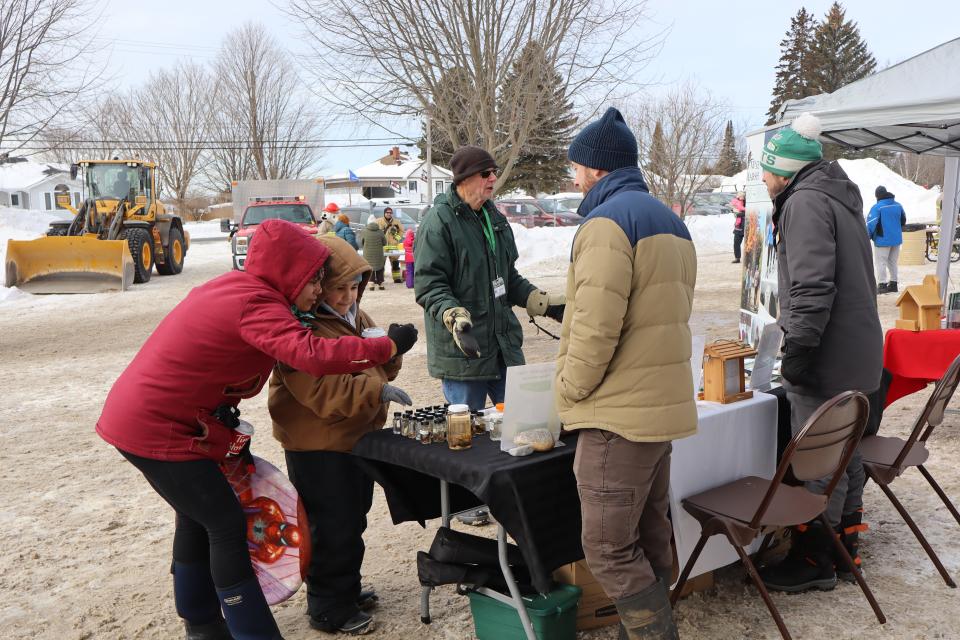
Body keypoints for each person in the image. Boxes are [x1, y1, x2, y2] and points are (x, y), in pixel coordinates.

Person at [95, 219, 418, 640]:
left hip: (159, 418)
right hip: (157, 426)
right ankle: (249, 632)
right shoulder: (257, 304)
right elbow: (312, 356)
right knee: (225, 524)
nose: (320, 292)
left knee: (198, 519)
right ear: (290, 274)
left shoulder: (240, 290)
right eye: (314, 282)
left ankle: (202, 624)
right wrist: (386, 346)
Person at [556, 107, 697, 639]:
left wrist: (568, 391)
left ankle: (653, 635)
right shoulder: (671, 220)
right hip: (658, 409)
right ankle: (640, 630)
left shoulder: (605, 224)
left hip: (618, 415)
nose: (572, 177)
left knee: (609, 548)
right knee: (649, 533)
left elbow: (596, 328)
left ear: (595, 169)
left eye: (575, 167)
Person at [757, 113, 882, 592]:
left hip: (829, 354)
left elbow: (812, 286)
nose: (764, 179)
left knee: (817, 461)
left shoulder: (805, 202)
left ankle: (816, 558)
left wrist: (801, 349)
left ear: (785, 171)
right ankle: (845, 546)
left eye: (768, 171)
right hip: (857, 350)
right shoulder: (835, 193)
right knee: (843, 452)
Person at [269, 236, 412, 636]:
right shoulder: (301, 329)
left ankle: (344, 588)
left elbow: (379, 367)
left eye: (354, 287)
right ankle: (329, 607)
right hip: (318, 444)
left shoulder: (356, 316)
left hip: (355, 436)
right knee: (330, 525)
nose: (348, 297)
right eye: (338, 288)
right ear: (317, 286)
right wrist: (377, 390)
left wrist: (393, 350)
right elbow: (322, 392)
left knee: (352, 518)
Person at [414, 145, 564, 411]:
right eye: (486, 173)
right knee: (469, 439)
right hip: (465, 357)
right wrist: (455, 318)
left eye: (493, 172)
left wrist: (543, 303)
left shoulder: (493, 216)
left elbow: (507, 277)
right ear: (464, 179)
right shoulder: (439, 222)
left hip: (503, 351)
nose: (493, 178)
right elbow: (429, 286)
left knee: (522, 427)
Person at [867, 185, 907, 294]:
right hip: (896, 239)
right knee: (893, 262)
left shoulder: (877, 207)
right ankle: (893, 284)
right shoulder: (898, 205)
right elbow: (903, 220)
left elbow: (871, 223)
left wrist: (867, 237)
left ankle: (882, 285)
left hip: (882, 240)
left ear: (877, 196)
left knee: (881, 262)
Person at [358, 214, 387, 290]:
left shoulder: (364, 232)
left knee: (370, 267)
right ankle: (381, 283)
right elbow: (384, 242)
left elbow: (361, 242)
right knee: (380, 267)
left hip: (368, 254)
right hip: (379, 254)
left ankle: (371, 284)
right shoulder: (380, 231)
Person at [377, 207, 405, 283]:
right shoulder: (378, 221)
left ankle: (396, 278)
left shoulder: (396, 222)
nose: (389, 214)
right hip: (383, 246)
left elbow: (402, 231)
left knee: (395, 263)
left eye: (390, 213)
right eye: (387, 212)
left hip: (393, 246)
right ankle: (380, 279)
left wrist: (396, 238)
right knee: (381, 264)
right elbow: (375, 231)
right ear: (384, 213)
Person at [731, 190, 746, 263]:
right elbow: (735, 211)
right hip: (739, 226)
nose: (742, 198)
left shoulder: (747, 202)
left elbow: (750, 211)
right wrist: (734, 211)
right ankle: (737, 258)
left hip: (747, 224)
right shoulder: (737, 202)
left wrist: (740, 214)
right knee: (736, 242)